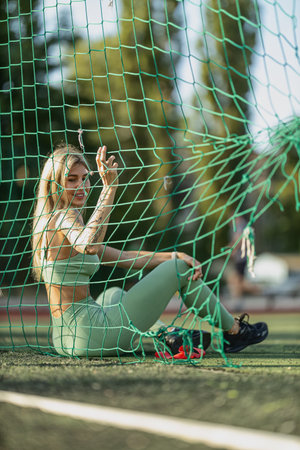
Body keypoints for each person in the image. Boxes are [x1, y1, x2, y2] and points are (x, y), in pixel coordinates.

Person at [31, 144, 268, 358]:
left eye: (85, 178)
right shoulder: (66, 216)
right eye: (72, 179)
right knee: (180, 270)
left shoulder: (47, 222)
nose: (81, 186)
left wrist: (173, 256)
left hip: (65, 341)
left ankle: (167, 334)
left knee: (112, 294)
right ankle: (235, 331)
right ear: (55, 184)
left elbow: (123, 257)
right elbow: (90, 244)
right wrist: (109, 189)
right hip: (92, 337)